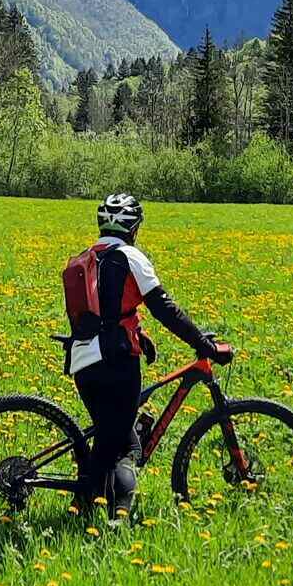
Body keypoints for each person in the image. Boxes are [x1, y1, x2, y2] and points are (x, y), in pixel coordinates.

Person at [60, 192, 232, 517]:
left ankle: (87, 500)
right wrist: (203, 345)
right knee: (121, 445)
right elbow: (166, 309)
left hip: (84, 361)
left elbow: (102, 312)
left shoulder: (88, 256)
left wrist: (138, 333)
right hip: (116, 362)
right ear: (135, 227)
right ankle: (110, 514)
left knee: (110, 432)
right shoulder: (130, 256)